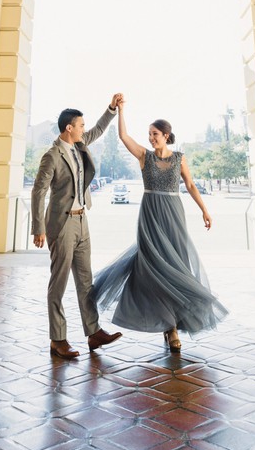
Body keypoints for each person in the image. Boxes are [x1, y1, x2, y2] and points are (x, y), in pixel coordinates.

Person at [91, 100, 228, 352]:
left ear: (166, 136)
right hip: (150, 213)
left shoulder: (179, 158)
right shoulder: (144, 156)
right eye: (149, 135)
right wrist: (121, 110)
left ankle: (173, 325)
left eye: (155, 135)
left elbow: (191, 185)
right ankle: (170, 327)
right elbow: (123, 136)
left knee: (176, 266)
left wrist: (204, 210)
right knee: (153, 268)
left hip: (174, 214)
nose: (151, 139)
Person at [32, 96, 124, 359]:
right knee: (58, 283)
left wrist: (111, 110)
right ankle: (58, 339)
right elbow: (39, 192)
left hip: (83, 221)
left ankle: (93, 332)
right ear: (68, 128)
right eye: (80, 125)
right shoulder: (51, 156)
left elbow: (97, 129)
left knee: (86, 281)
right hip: (61, 224)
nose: (84, 129)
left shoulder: (79, 144)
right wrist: (38, 228)